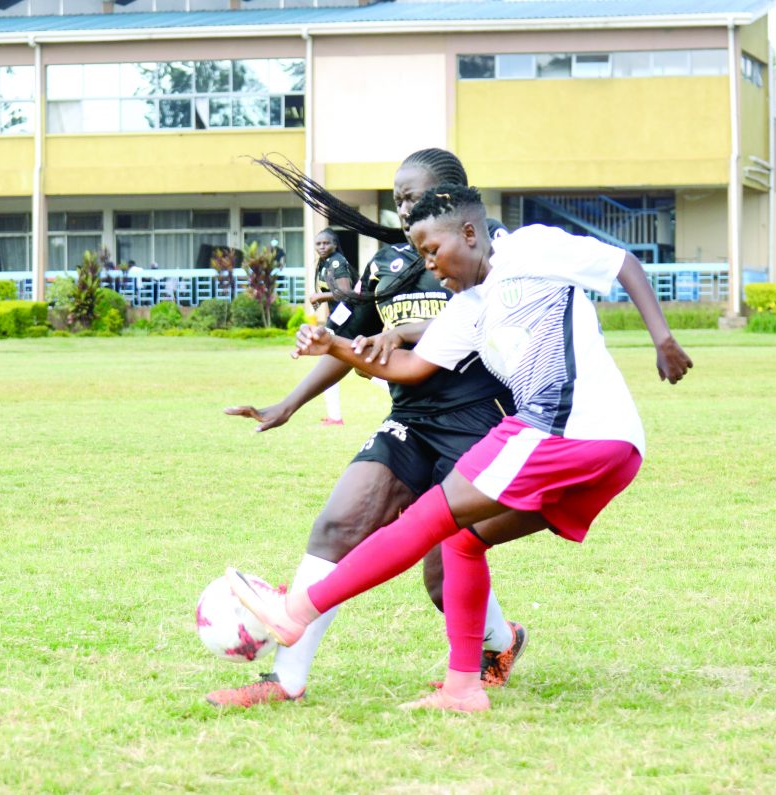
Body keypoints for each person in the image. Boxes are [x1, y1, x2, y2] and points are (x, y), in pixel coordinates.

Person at [227, 185, 693, 712]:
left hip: (565, 431)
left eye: (432, 250)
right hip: (605, 450)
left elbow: (622, 262)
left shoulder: (529, 248)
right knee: (463, 541)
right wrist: (335, 345)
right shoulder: (469, 307)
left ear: (470, 233)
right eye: (421, 253)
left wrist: (663, 338)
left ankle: (295, 611)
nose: (429, 264)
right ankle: (463, 688)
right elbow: (411, 366)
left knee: (426, 519)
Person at [210, 150, 526, 708]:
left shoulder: (490, 244)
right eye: (397, 198)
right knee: (337, 525)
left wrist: (407, 335)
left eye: (412, 196)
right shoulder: (386, 264)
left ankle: (501, 642)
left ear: (455, 193)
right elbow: (351, 339)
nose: (402, 209)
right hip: (411, 420)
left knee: (442, 576)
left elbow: (496, 315)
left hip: (482, 425)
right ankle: (284, 679)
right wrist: (288, 403)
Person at [309, 228, 356, 426]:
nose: (322, 247)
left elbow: (346, 292)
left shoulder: (337, 261)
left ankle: (335, 416)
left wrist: (320, 296)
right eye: (318, 244)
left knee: (361, 367)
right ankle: (334, 416)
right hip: (338, 317)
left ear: (335, 245)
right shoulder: (324, 263)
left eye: (326, 243)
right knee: (332, 363)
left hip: (347, 318)